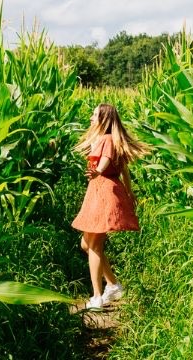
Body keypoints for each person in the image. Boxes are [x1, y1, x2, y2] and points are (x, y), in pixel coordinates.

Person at [72, 103, 148, 309]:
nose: (91, 117)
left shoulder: (106, 139)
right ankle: (113, 285)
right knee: (86, 245)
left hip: (103, 192)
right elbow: (124, 170)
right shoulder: (111, 140)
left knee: (95, 245)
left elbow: (105, 161)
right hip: (102, 190)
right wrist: (130, 192)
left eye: (95, 114)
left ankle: (96, 297)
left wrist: (98, 170)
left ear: (104, 119)